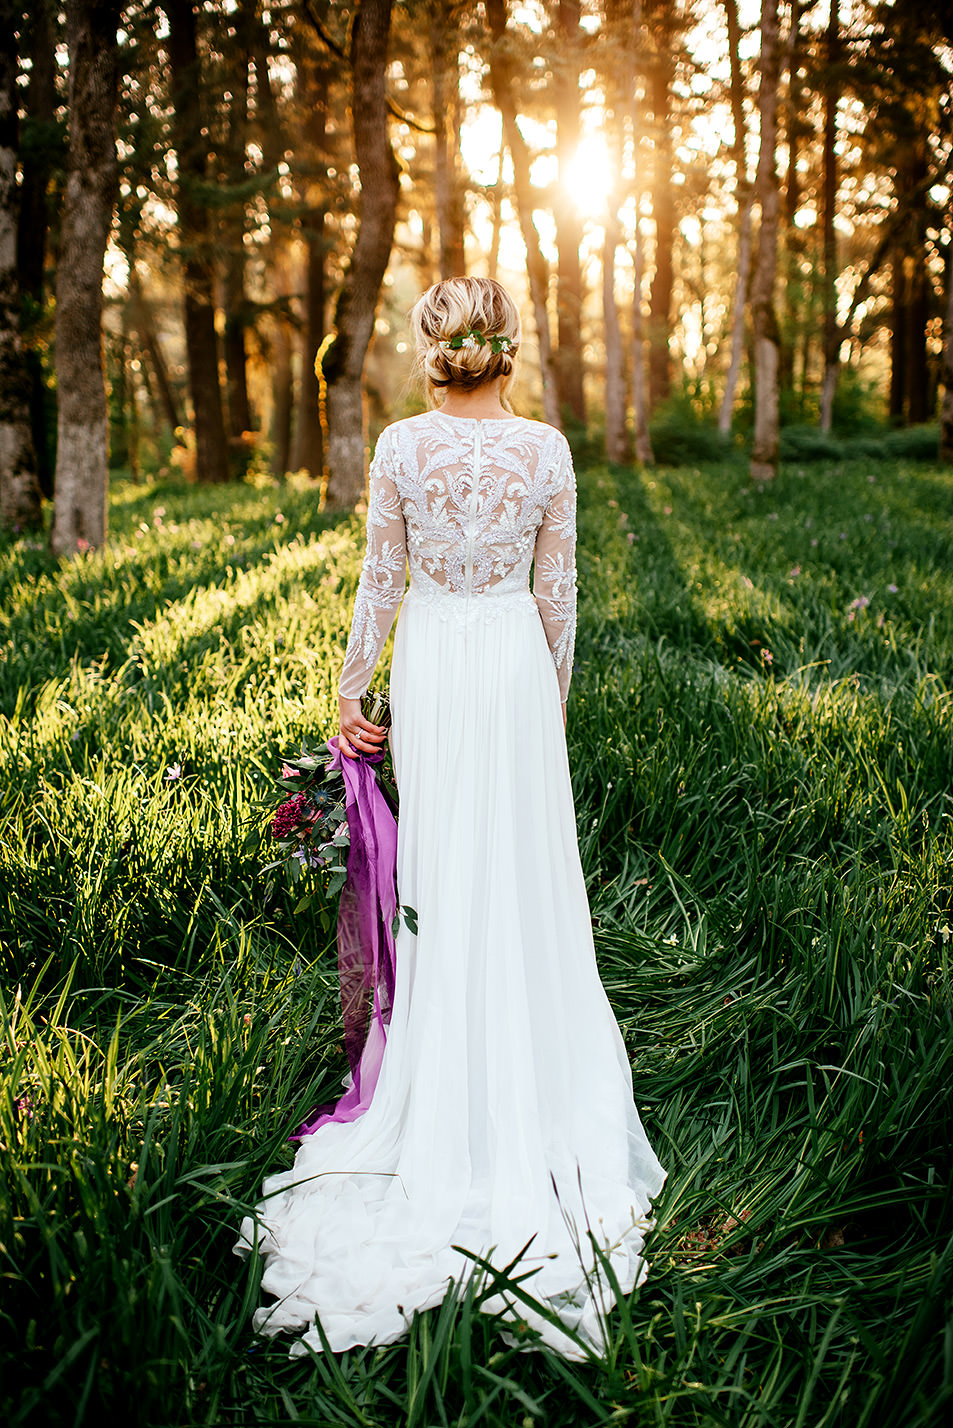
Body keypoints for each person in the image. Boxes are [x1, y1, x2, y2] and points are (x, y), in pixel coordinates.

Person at [235, 276, 667, 1360]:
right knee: (516, 867)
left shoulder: (397, 448)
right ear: (506, 352)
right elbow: (555, 599)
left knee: (439, 868)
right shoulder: (548, 452)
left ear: (432, 352)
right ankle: (524, 1067)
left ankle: (441, 1061)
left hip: (432, 656)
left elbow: (379, 582)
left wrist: (350, 691)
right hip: (510, 671)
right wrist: (546, 711)